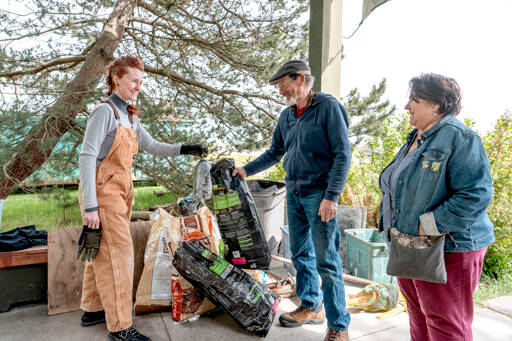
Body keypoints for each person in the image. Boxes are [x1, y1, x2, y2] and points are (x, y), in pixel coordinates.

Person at [78, 55, 207, 341]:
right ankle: (121, 327)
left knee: (101, 251)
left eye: (141, 82)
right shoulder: (105, 111)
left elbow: (152, 146)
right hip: (103, 189)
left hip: (123, 189)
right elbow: (86, 157)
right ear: (116, 78)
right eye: (134, 80)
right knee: (119, 256)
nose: (138, 86)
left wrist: (187, 148)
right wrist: (90, 205)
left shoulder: (130, 115)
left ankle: (93, 309)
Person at [233, 60, 351, 341]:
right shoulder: (287, 116)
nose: (280, 91)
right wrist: (245, 170)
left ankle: (339, 325)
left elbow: (342, 155)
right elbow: (275, 151)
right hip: (295, 193)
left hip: (319, 195)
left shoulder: (327, 108)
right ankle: (311, 305)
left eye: (283, 85)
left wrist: (331, 197)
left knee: (327, 260)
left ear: (300, 79)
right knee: (299, 254)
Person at [379, 73, 494, 341]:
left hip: (449, 247)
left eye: (413, 100)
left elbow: (476, 195)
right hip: (409, 245)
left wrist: (428, 226)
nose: (407, 106)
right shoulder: (416, 138)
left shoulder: (460, 138)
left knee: (445, 326)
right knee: (419, 316)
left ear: (436, 106)